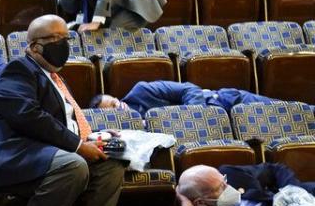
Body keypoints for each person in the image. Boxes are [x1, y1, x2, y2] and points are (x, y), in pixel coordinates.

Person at [0, 15, 125, 206]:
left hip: (49, 152)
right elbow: (28, 116)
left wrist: (93, 136)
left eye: (66, 38)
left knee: (110, 164)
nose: (64, 45)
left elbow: (63, 123)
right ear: (36, 47)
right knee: (73, 164)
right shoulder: (18, 70)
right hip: (15, 154)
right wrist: (78, 146)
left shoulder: (55, 77)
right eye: (57, 39)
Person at [176, 163, 315, 206]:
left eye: (224, 180)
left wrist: (295, 193)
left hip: (299, 200)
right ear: (201, 203)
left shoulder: (230, 173)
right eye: (220, 188)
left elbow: (274, 168)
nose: (228, 186)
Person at [91, 81, 279, 115]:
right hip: (218, 129)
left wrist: (193, 116)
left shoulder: (142, 91)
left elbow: (189, 89)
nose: (118, 109)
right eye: (112, 112)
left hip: (225, 101)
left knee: (304, 113)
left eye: (115, 103)